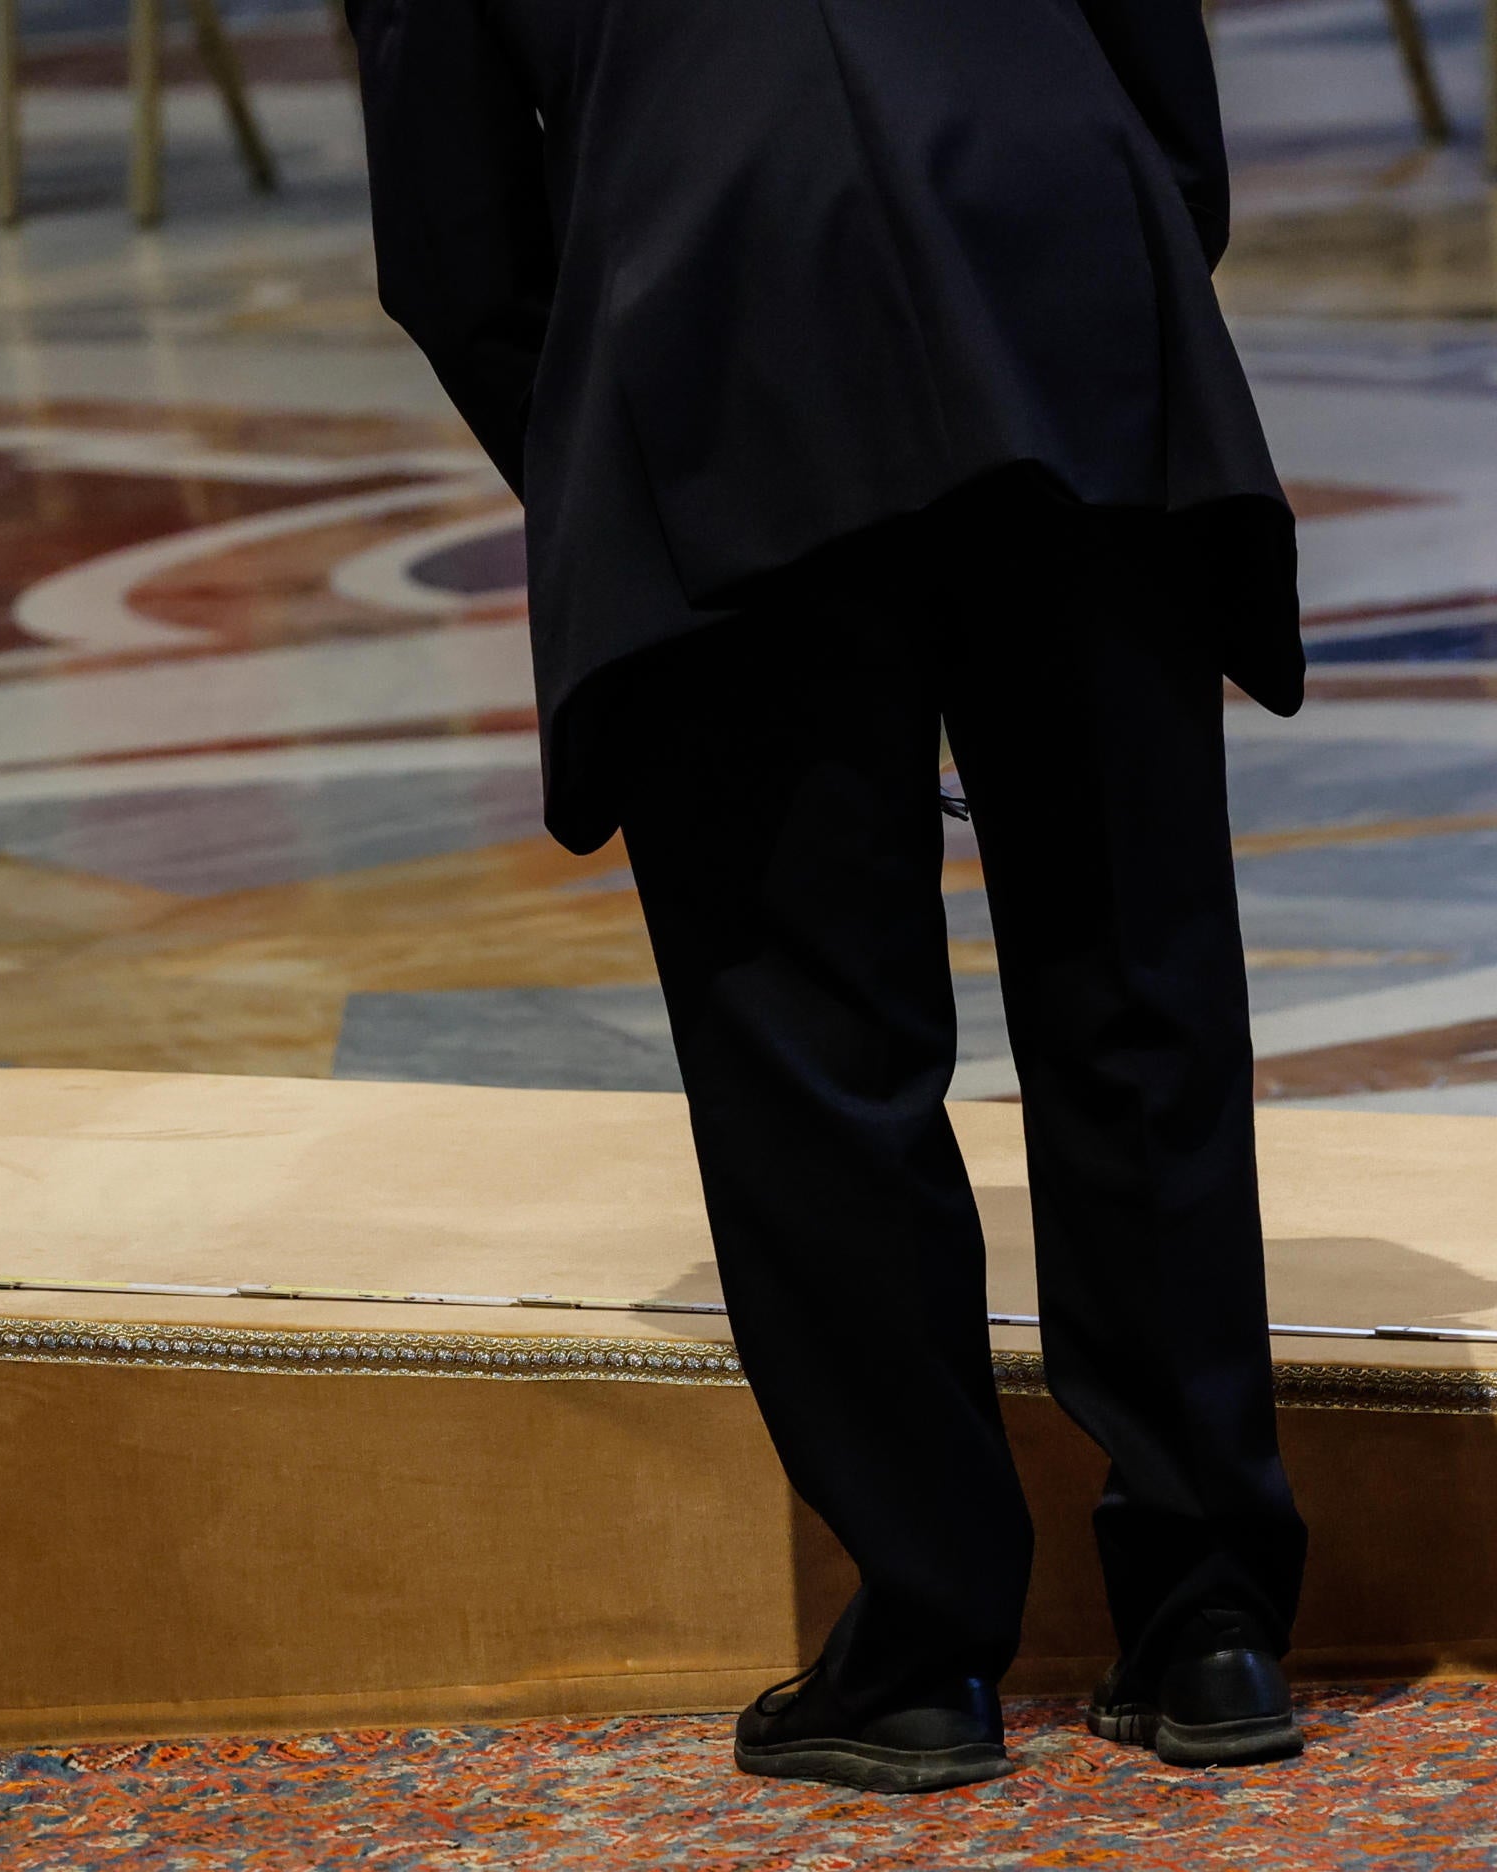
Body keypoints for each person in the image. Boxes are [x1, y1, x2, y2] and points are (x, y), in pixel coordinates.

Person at [353, 0, 1307, 1792]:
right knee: (1136, 972)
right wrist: (1075, 280)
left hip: (713, 319)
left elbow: (457, 247)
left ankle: (927, 1648)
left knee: (813, 1044)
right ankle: (1212, 1621)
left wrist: (614, 438)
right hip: (1064, 261)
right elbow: (1165, 92)